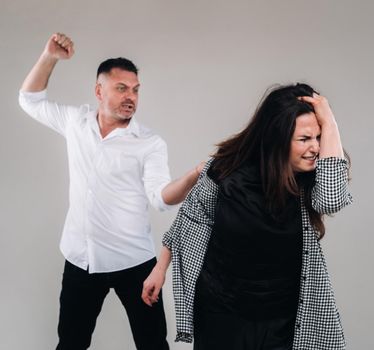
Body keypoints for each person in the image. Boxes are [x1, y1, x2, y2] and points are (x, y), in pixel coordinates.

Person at [18, 33, 201, 350]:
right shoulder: (77, 122)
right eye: (121, 88)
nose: (131, 96)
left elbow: (160, 199)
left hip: (135, 262)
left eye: (135, 90)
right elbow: (29, 100)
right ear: (99, 91)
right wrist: (49, 56)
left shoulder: (149, 143)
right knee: (71, 343)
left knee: (153, 344)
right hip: (81, 259)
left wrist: (193, 177)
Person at [143, 83, 353, 349]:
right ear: (276, 138)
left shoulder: (309, 182)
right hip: (221, 312)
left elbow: (332, 201)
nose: (315, 148)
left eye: (319, 137)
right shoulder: (226, 172)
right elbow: (189, 218)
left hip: (282, 317)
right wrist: (159, 269)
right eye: (304, 139)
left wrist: (330, 120)